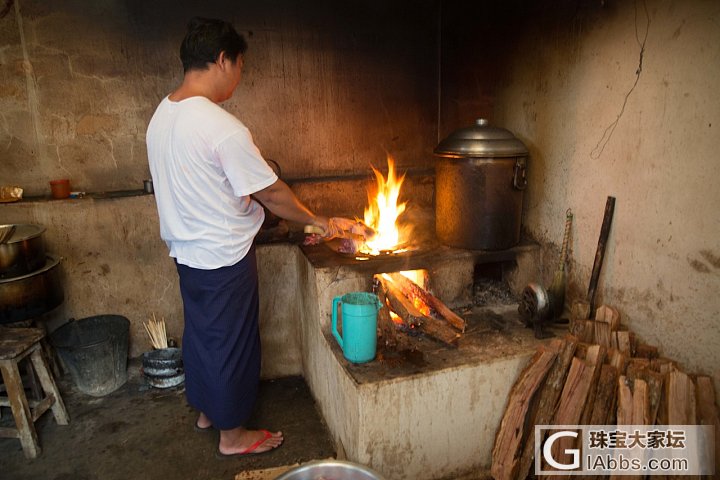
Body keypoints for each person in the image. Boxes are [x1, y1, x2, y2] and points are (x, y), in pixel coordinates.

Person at [146, 17, 333, 457]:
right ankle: (232, 436)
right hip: (223, 257)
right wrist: (316, 220)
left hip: (188, 253)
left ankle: (208, 412)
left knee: (203, 336)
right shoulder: (221, 126)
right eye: (240, 67)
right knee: (232, 343)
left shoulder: (162, 114)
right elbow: (270, 191)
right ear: (223, 60)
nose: (240, 77)